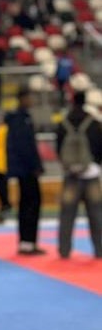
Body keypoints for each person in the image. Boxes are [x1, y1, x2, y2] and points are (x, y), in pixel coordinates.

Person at [55, 90, 102, 259]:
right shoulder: (94, 123)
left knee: (67, 216)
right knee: (96, 215)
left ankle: (64, 250)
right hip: (91, 173)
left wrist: (68, 165)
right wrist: (95, 163)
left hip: (71, 175)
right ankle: (99, 250)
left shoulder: (63, 123)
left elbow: (58, 147)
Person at [5, 87, 45, 256]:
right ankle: (27, 242)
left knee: (27, 203)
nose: (31, 101)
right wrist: (35, 166)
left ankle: (27, 241)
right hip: (26, 169)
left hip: (25, 168)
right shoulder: (20, 119)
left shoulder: (22, 118)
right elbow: (24, 147)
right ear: (22, 99)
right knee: (31, 204)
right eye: (29, 97)